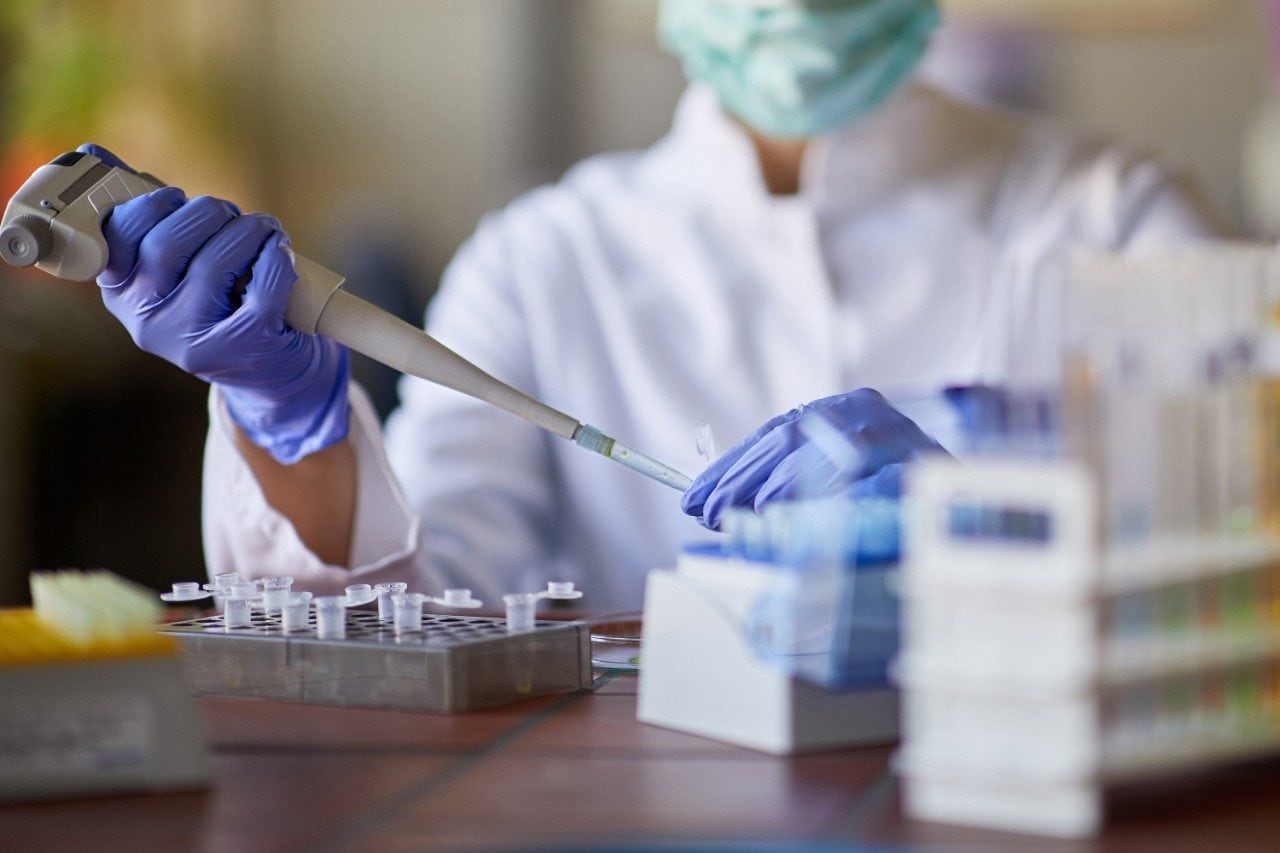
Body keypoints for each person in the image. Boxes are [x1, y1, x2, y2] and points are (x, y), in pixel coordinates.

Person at [86, 0, 1220, 611]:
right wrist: (292, 430)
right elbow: (413, 621)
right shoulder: (545, 256)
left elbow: (1236, 561)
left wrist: (981, 508)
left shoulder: (1115, 216)